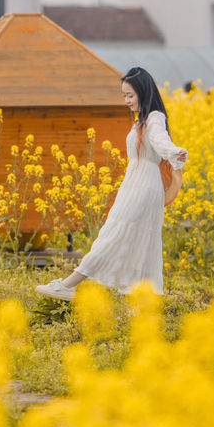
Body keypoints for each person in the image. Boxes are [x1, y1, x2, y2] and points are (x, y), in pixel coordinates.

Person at [36, 66, 187, 300]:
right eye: (124, 95)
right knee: (135, 239)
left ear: (144, 93)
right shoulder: (142, 120)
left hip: (144, 187)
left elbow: (160, 141)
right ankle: (139, 299)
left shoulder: (155, 119)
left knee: (114, 234)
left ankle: (69, 284)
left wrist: (175, 152)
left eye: (130, 95)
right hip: (136, 184)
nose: (126, 100)